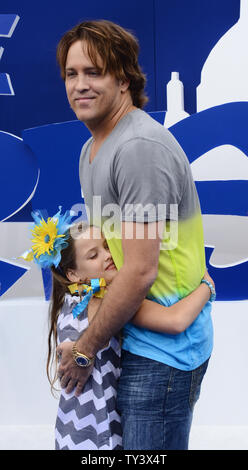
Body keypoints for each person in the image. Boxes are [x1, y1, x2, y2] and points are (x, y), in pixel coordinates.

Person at [55, 20, 215, 450]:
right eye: (72, 74)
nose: (80, 85)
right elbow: (110, 260)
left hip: (163, 352)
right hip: (129, 341)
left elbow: (140, 271)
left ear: (123, 78)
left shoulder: (138, 149)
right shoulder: (92, 151)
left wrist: (86, 348)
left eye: (95, 72)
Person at [21, 208, 214, 450]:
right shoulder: (102, 300)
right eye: (93, 255)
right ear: (73, 274)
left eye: (106, 246)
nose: (107, 256)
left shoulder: (91, 297)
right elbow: (175, 321)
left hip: (103, 428)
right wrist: (207, 285)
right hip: (86, 437)